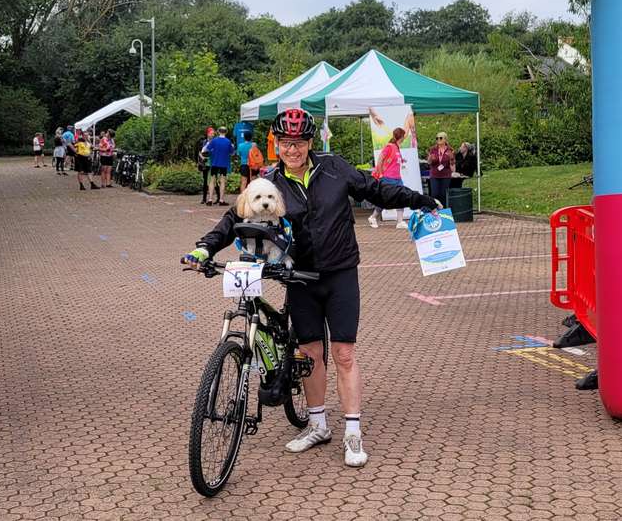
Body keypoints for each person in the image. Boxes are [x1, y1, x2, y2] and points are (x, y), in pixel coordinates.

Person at [184, 108, 440, 468]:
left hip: (340, 274)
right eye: (286, 143)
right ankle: (317, 425)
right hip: (299, 277)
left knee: (344, 354)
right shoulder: (271, 181)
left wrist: (420, 198)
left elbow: (376, 189)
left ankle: (353, 434)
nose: (293, 150)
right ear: (278, 145)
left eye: (299, 142)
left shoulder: (335, 168)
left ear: (309, 142)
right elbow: (234, 218)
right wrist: (205, 247)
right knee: (309, 353)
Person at [368, 127, 407, 229]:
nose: (404, 138)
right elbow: (380, 159)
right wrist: (380, 174)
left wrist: (402, 161)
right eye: (403, 136)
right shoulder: (389, 147)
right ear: (401, 137)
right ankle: (373, 217)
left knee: (401, 197)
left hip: (397, 178)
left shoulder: (397, 147)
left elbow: (394, 161)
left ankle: (400, 221)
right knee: (385, 200)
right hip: (388, 178)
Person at [202, 126, 234, 206]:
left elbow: (206, 150)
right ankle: (221, 200)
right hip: (224, 163)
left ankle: (210, 200)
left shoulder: (214, 141)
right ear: (226, 132)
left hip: (214, 163)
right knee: (222, 181)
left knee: (212, 180)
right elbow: (232, 153)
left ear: (218, 132)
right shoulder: (228, 142)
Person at [427, 132, 455, 207]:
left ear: (445, 139)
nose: (438, 140)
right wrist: (429, 159)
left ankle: (443, 213)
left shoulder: (450, 150)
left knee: (443, 195)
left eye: (440, 138)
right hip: (434, 175)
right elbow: (429, 163)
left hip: (445, 175)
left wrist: (451, 158)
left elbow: (453, 167)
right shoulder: (433, 149)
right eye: (437, 138)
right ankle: (434, 211)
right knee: (434, 194)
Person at [196, 127, 216, 204]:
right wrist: (203, 158)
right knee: (205, 180)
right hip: (205, 162)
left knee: (215, 180)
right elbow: (199, 152)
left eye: (213, 133)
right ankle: (204, 198)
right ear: (208, 134)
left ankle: (218, 197)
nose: (213, 135)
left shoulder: (215, 142)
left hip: (213, 162)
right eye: (211, 133)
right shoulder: (204, 142)